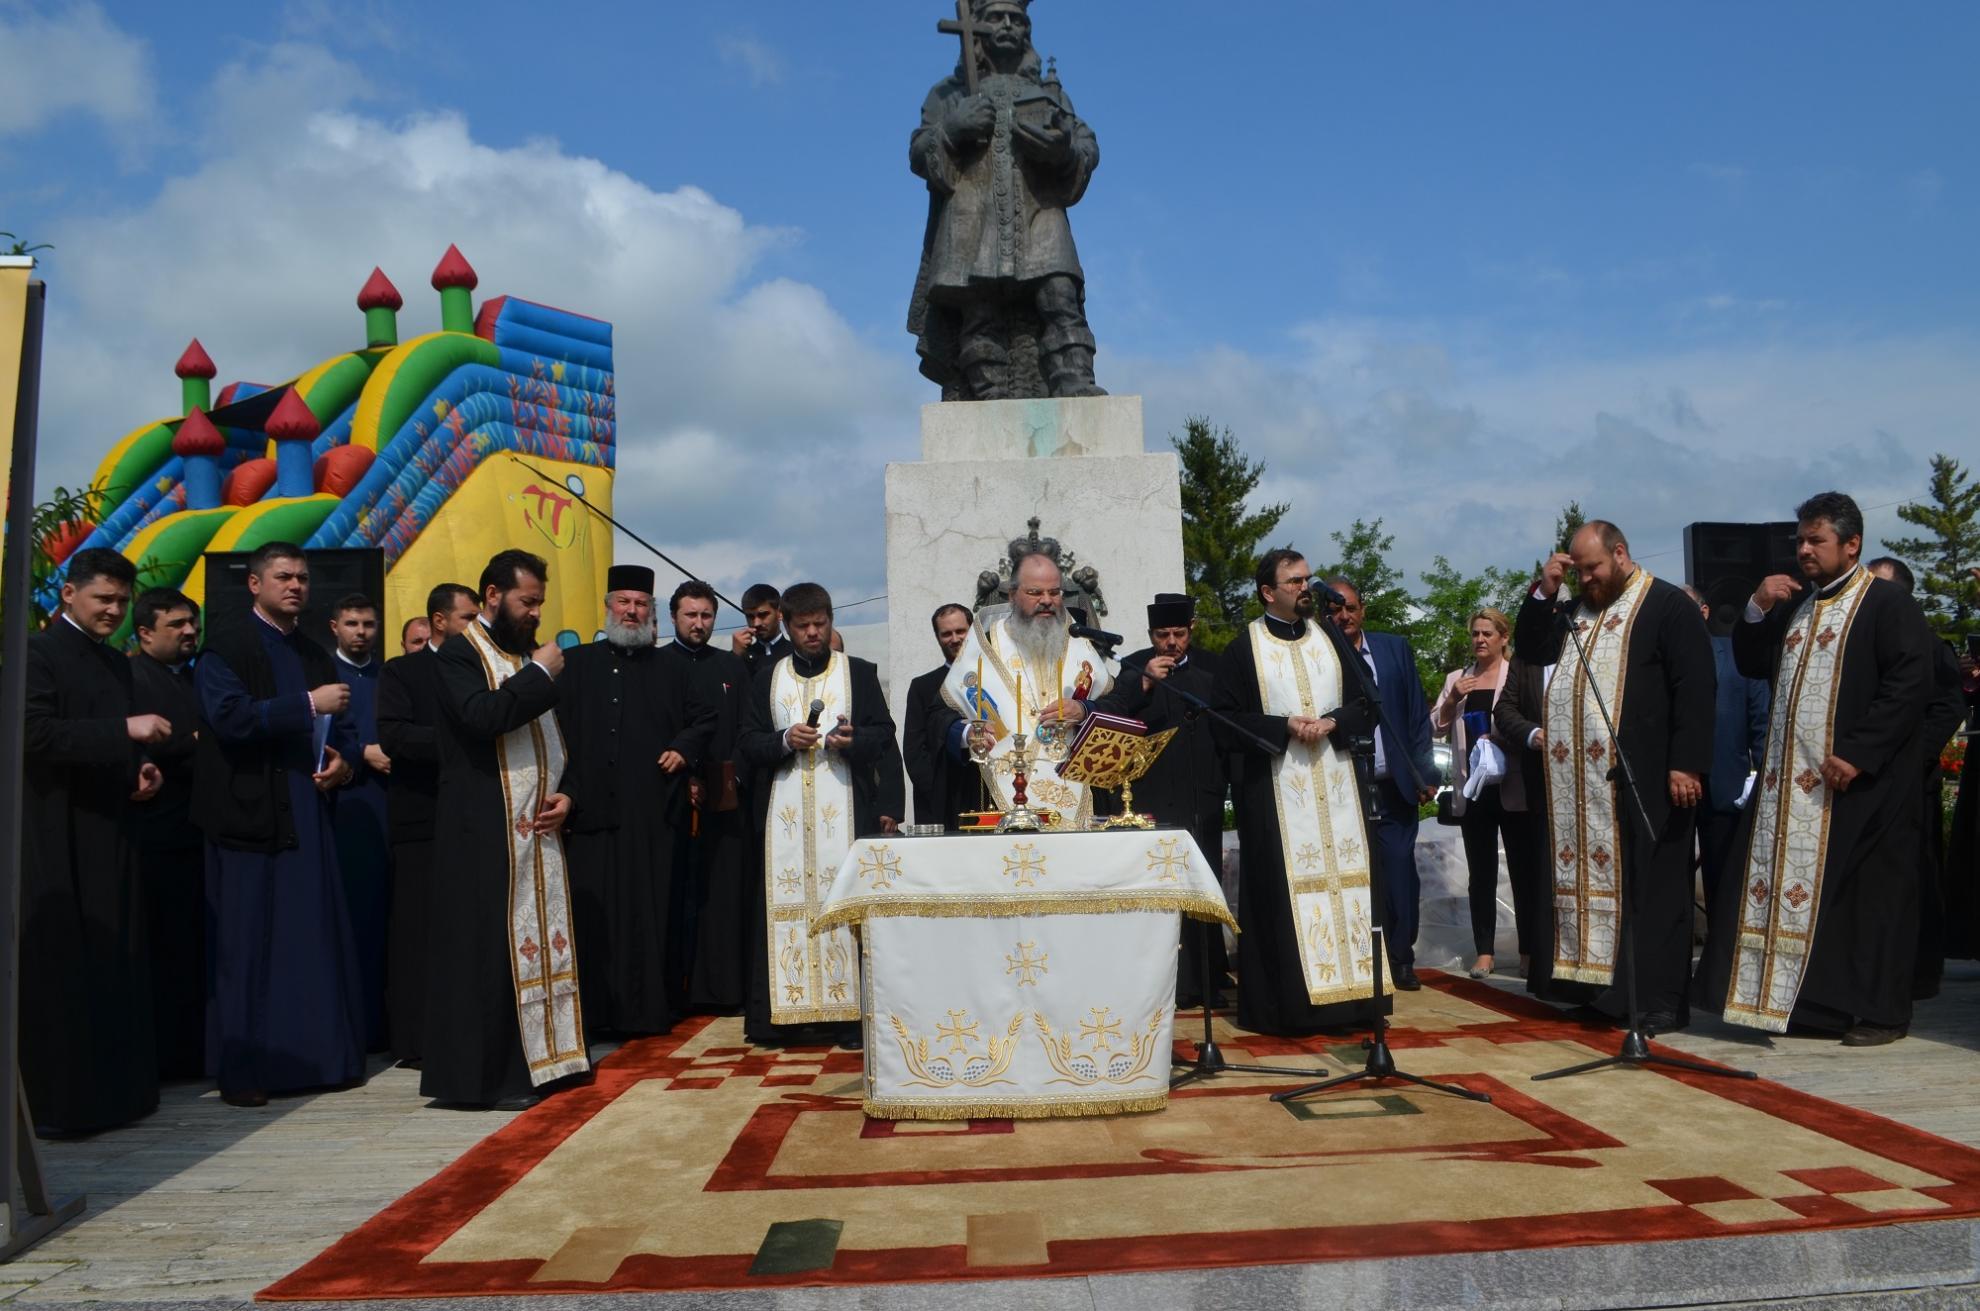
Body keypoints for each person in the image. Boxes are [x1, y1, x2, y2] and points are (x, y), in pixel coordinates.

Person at [1697, 495, 1933, 1046]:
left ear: (1851, 544)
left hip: (1863, 786)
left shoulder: (1886, 604)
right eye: (1800, 540)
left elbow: (1910, 683)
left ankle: (1883, 1013)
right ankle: (1812, 1008)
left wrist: (1859, 752)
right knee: (1812, 903)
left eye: (1815, 540)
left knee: (1868, 903)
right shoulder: (1800, 606)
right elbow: (1752, 662)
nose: (1803, 550)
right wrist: (1756, 607)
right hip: (1794, 788)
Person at [1513, 521, 1714, 1033]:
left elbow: (1695, 686)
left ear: (1620, 553)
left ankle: (1659, 1001)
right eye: (1579, 572)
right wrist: (1545, 592)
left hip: (1649, 777)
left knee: (1655, 890)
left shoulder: (1667, 605)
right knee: (1597, 889)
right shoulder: (1577, 611)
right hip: (1582, 785)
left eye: (1593, 569)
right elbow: (1532, 649)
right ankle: (1602, 993)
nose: (1586, 580)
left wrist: (1687, 762)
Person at [193, 542, 364, 1107]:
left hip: (307, 809)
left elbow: (341, 733)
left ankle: (324, 1061)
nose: (295, 586)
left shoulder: (314, 652)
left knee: (311, 937)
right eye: (284, 577)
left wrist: (342, 764)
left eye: (303, 579)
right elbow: (229, 718)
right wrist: (307, 705)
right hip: (250, 815)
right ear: (255, 584)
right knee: (248, 946)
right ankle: (246, 1072)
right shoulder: (226, 647)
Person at [424, 550, 586, 1109]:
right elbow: (483, 718)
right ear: (493, 595)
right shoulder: (459, 654)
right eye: (527, 601)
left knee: (544, 944)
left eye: (539, 602)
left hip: (538, 831)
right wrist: (540, 675)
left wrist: (568, 794)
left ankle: (550, 1061)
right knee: (490, 954)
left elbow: (559, 742)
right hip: (484, 831)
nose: (536, 612)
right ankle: (493, 1079)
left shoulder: (523, 654)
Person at [1212, 548, 1384, 1037]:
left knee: (1350, 886)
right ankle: (1290, 1008)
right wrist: (1283, 725)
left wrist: (1333, 722)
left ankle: (1354, 1003)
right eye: (1295, 581)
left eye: (1308, 579)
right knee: (1283, 897)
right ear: (1269, 592)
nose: (1306, 588)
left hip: (1338, 786)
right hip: (1277, 795)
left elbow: (1367, 702)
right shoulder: (1243, 649)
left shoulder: (1332, 639)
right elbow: (1223, 721)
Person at [22, 548, 162, 1134]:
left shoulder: (114, 663)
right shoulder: (37, 653)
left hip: (112, 828)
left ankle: (119, 1094)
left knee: (115, 958)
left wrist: (140, 765)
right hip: (56, 830)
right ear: (69, 593)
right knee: (64, 964)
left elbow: (115, 737)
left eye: (122, 601)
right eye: (103, 598)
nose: (113, 610)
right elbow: (31, 733)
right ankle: (65, 1105)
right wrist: (123, 731)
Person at [907, 0, 1104, 400]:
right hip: (973, 214)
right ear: (977, 29)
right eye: (997, 18)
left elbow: (1085, 142)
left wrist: (1062, 150)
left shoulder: (1047, 92)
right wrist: (953, 129)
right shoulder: (949, 93)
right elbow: (918, 150)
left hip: (1039, 210)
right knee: (979, 307)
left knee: (1059, 293)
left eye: (1017, 19)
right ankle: (986, 389)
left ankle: (1073, 380)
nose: (1009, 25)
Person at [737, 582, 903, 1048]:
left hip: (846, 811)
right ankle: (783, 1018)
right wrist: (784, 740)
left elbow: (884, 734)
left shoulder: (859, 673)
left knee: (845, 905)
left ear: (831, 621)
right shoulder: (767, 678)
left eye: (820, 624)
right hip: (783, 820)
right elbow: (747, 742)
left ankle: (849, 1019)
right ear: (787, 626)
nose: (813, 633)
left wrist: (854, 740)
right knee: (783, 910)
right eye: (803, 626)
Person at [558, 564, 715, 1036]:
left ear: (652, 612)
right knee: (593, 915)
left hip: (651, 813)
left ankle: (646, 1012)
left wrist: (683, 748)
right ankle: (594, 1015)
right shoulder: (576, 664)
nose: (632, 611)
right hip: (588, 811)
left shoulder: (673, 667)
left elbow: (704, 719)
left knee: (650, 914)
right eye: (623, 602)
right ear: (608, 607)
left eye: (641, 603)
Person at [1098, 593, 1234, 1007]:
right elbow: (1111, 714)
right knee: (1164, 886)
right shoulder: (1133, 667)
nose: (1171, 642)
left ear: (1191, 629)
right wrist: (1142, 683)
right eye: (1162, 635)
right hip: (1152, 793)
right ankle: (1171, 980)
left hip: (1201, 792)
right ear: (1150, 635)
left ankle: (1208, 977)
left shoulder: (1213, 667)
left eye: (1178, 633)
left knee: (1203, 882)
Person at [376, 582, 478, 1065]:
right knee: (418, 935)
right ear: (440, 621)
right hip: (422, 821)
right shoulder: (402, 671)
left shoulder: (482, 671)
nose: (475, 627)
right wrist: (458, 743)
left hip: (473, 822)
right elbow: (394, 736)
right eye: (467, 618)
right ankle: (417, 1042)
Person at [940, 551, 1114, 825]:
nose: (1046, 600)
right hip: (1000, 796)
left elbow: (1115, 706)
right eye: (1035, 592)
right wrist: (966, 733)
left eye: (1054, 592)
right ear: (1012, 595)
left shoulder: (1078, 641)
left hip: (1077, 790)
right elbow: (940, 714)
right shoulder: (984, 643)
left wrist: (1083, 709)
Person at [1328, 577, 1439, 989]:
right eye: (1336, 610)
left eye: (1351, 608)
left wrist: (1424, 773)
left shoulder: (1394, 649)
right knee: (1354, 875)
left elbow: (1416, 715)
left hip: (1395, 785)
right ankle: (1358, 959)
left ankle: (1401, 958)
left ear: (1363, 610)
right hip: (1345, 786)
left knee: (1398, 870)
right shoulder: (1321, 656)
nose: (1345, 616)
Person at [1863, 557, 1965, 1001]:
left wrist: (1910, 758)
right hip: (1869, 777)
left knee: (1918, 877)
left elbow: (1948, 707)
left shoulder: (1928, 643)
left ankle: (1922, 971)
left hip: (1911, 780)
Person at [658, 579, 753, 1012]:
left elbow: (746, 728)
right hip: (672, 801)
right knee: (675, 895)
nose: (698, 623)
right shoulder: (658, 665)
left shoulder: (731, 667)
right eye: (690, 615)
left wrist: (731, 779)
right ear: (673, 617)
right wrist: (687, 779)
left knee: (722, 895)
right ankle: (674, 991)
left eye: (706, 615)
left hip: (726, 801)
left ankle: (722, 989)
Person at [129, 586, 206, 1080]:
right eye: (176, 624)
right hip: (157, 835)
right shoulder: (131, 679)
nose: (188, 631)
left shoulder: (199, 678)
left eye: (192, 623)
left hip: (201, 833)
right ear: (144, 633)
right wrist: (191, 742)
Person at [1430, 608, 1531, 981]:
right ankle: (1485, 951)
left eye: (1488, 633)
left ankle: (1528, 951)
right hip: (1474, 789)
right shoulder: (1457, 679)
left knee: (1523, 871)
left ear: (1504, 637)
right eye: (1475, 633)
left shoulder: (1517, 675)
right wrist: (1452, 699)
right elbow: (1435, 728)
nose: (1480, 640)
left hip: (1512, 786)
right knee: (1481, 873)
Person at [1680, 583, 1770, 972]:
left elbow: (1761, 721)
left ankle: (1723, 965)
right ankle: (1674, 960)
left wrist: (1759, 777)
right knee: (1671, 883)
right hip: (1670, 790)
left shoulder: (1735, 654)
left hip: (1726, 789)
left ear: (1703, 612)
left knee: (1725, 882)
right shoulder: (1653, 661)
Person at [329, 593, 390, 1049]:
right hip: (345, 808)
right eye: (352, 624)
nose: (361, 632)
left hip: (389, 807)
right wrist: (360, 752)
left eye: (368, 624)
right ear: (335, 627)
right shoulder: (323, 675)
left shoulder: (388, 676)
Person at [1491, 654, 1557, 995]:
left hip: (1596, 781)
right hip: (1542, 785)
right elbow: (1504, 710)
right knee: (1539, 873)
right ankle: (1544, 962)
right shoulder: (1528, 661)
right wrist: (1532, 733)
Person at [902, 602, 980, 829]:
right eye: (946, 634)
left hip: (991, 792)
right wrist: (935, 793)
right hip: (945, 799)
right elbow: (915, 750)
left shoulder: (995, 678)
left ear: (972, 631)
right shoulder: (922, 687)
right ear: (937, 637)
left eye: (960, 631)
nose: (954, 639)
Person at [731, 583, 790, 678]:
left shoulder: (796, 653)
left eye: (763, 615)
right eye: (750, 617)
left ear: (780, 613)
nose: (756, 623)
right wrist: (734, 656)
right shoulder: (741, 656)